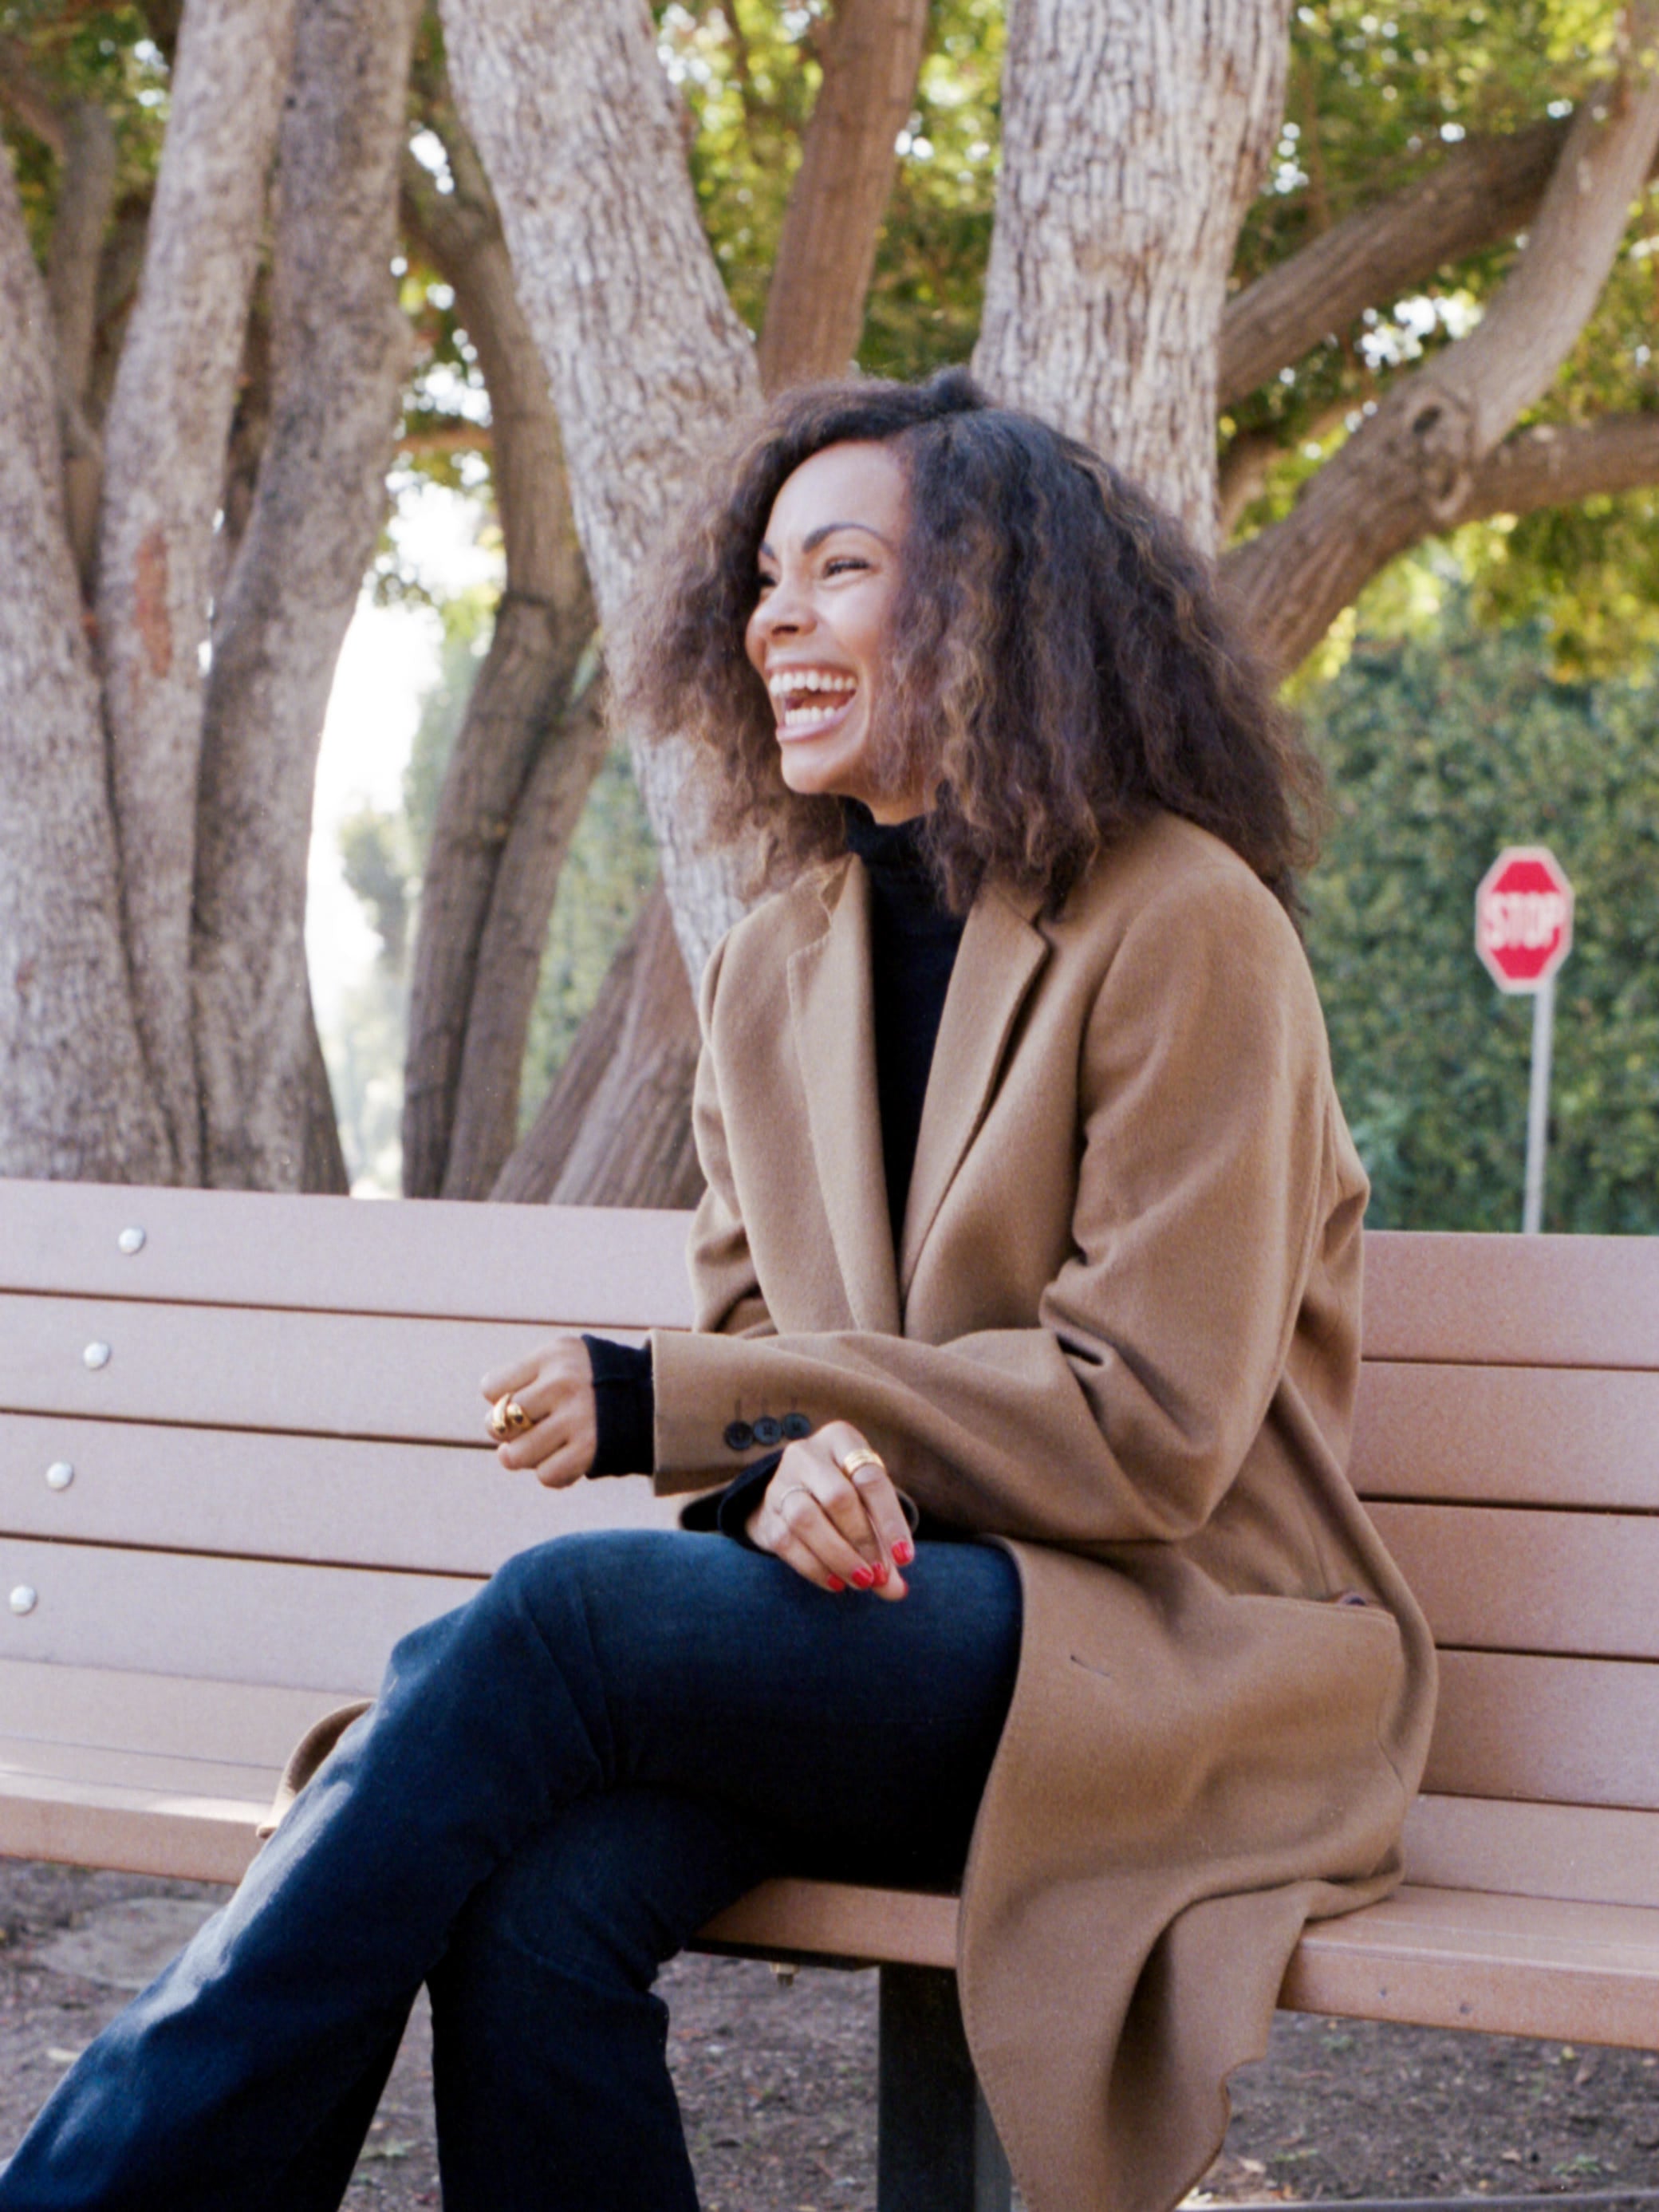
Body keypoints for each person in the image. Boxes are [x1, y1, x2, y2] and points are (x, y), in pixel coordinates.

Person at [0, 368, 1436, 2212]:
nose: (773, 618)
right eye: (763, 578)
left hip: (1161, 1654)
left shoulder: (1184, 924)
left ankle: (97, 2193)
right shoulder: (770, 966)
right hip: (894, 1634)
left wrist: (685, 1405)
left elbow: (1146, 1428)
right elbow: (775, 1362)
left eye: (837, 568)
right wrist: (785, 1471)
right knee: (539, 1896)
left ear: (987, 602)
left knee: (554, 1623)